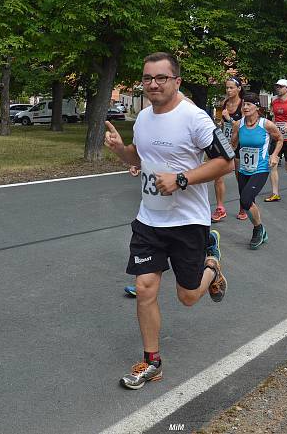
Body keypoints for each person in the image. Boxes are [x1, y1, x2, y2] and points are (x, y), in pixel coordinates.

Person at [104, 52, 233, 390]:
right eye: (147, 78)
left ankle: (212, 267)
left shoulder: (195, 118)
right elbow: (139, 156)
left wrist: (182, 178)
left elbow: (226, 162)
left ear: (176, 81)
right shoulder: (144, 118)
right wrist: (121, 150)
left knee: (188, 297)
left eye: (161, 77)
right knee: (145, 288)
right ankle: (152, 361)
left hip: (187, 221)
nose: (153, 84)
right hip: (149, 219)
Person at [230, 92, 282, 249]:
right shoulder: (238, 124)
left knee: (245, 200)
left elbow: (280, 139)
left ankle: (258, 230)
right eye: (244, 104)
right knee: (246, 202)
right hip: (244, 169)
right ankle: (260, 229)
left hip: (260, 168)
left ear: (257, 107)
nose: (245, 107)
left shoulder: (266, 124)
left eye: (249, 104)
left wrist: (274, 155)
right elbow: (232, 145)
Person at [213, 77, 244, 222]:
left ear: (239, 88)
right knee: (218, 174)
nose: (229, 90)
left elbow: (244, 125)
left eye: (231, 87)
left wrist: (229, 119)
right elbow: (223, 121)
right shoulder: (225, 103)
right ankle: (220, 208)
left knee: (240, 177)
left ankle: (244, 206)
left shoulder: (243, 104)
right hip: (225, 143)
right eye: (227, 88)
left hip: (239, 144)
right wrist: (221, 123)